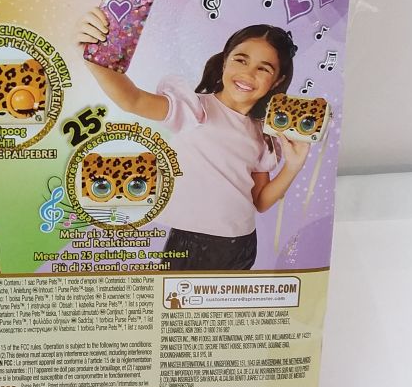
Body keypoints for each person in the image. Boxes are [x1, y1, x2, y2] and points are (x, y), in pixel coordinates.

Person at [76, 15, 310, 270]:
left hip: (241, 245)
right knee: (175, 297)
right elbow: (133, 100)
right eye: (241, 60)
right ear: (225, 61)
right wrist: (94, 59)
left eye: (263, 69)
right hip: (191, 241)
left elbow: (261, 202)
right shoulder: (193, 109)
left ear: (277, 81)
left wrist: (293, 166)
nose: (248, 73)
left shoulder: (262, 133)